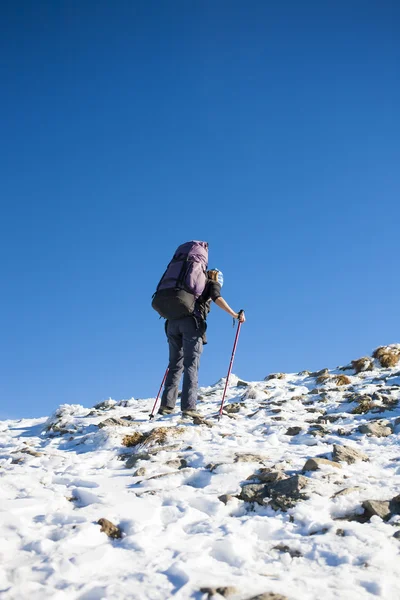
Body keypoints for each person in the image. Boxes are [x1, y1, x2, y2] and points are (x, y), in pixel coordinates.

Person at [158, 269, 246, 416]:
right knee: (191, 364)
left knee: (174, 365)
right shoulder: (212, 283)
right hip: (191, 324)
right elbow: (217, 298)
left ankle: (166, 406)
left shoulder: (187, 284)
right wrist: (235, 314)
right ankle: (189, 407)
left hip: (172, 323)